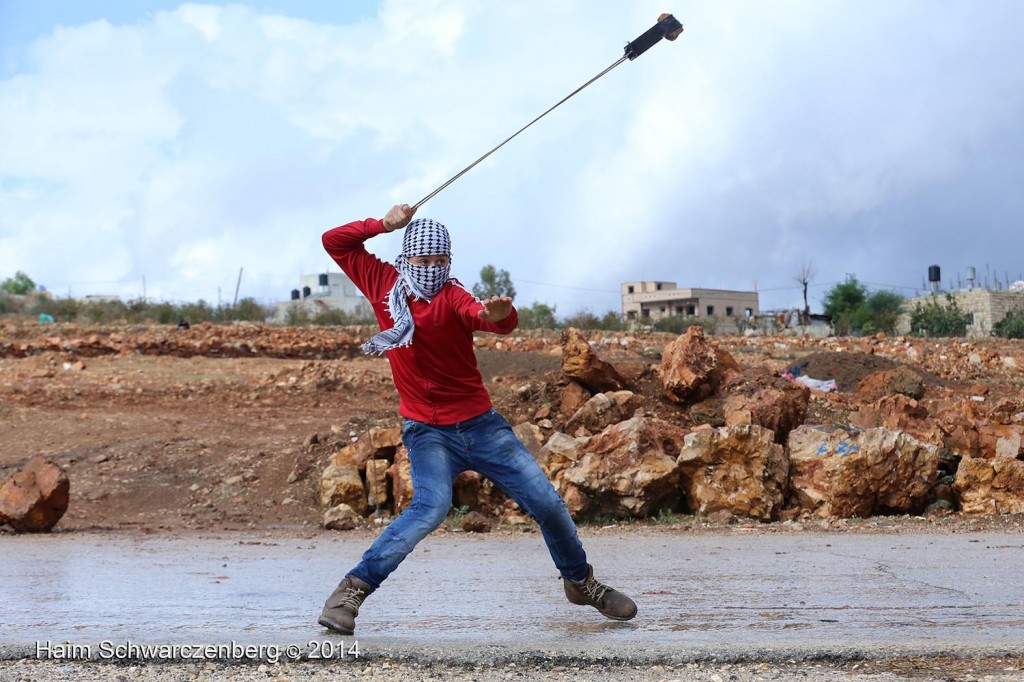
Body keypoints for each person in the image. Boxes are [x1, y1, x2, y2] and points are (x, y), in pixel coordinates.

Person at [317, 204, 636, 635]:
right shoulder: (382, 283)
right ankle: (350, 591)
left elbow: (485, 317)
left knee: (546, 502)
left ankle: (581, 582)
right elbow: (334, 241)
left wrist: (497, 317)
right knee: (430, 509)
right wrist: (383, 225)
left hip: (481, 426)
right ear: (405, 257)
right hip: (427, 431)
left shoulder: (454, 295)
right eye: (422, 260)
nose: (431, 268)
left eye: (439, 261)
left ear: (448, 261)